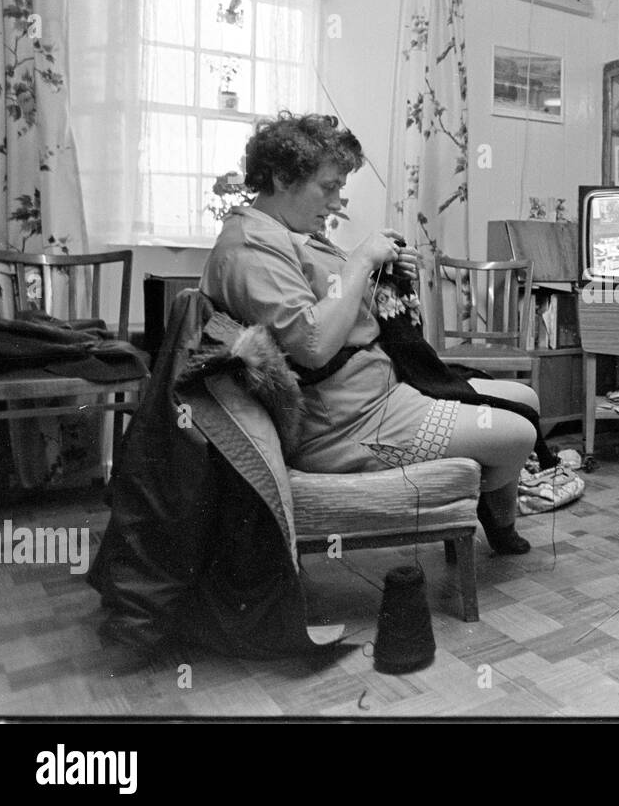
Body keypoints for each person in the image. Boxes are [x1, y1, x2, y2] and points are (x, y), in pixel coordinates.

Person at [200, 111, 535, 554]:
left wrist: (382, 274)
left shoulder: (289, 232)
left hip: (378, 393)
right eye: (329, 186)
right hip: (346, 425)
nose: (337, 201)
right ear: (282, 177)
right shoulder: (249, 249)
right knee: (519, 434)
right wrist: (360, 261)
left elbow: (337, 305)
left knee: (525, 399)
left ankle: (485, 498)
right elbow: (314, 346)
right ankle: (487, 510)